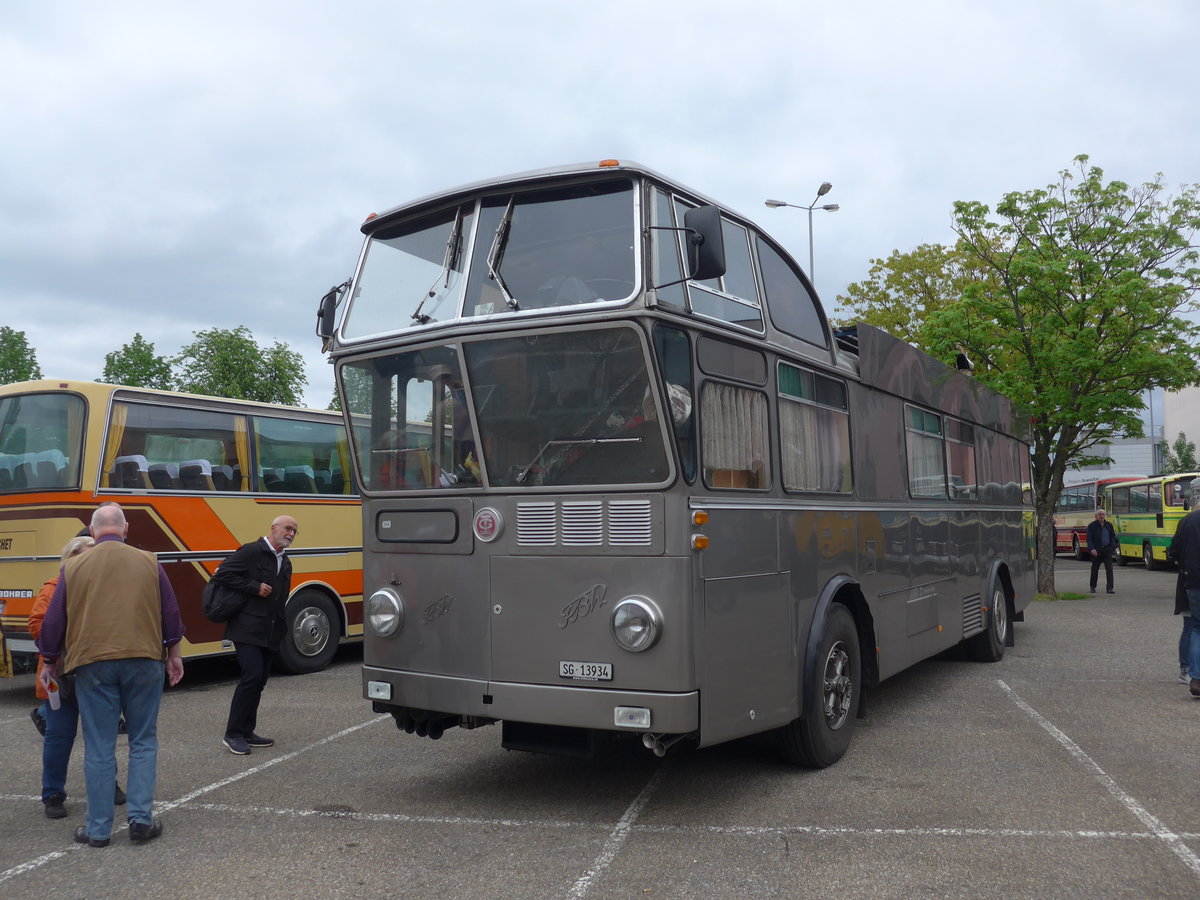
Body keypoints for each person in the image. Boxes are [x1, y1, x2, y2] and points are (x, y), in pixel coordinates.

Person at [37, 504, 185, 847]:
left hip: (93, 663)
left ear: (92, 530)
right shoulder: (150, 561)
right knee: (143, 740)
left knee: (99, 745)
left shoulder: (72, 567)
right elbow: (171, 612)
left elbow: (54, 621)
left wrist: (49, 661)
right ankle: (140, 820)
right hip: (144, 658)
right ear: (126, 528)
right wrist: (174, 654)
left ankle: (99, 829)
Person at [28, 536, 127, 819]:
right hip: (62, 674)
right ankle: (53, 794)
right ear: (71, 559)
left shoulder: (103, 588)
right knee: (59, 736)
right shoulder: (54, 587)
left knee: (101, 736)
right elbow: (36, 625)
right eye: (86, 556)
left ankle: (108, 785)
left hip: (95, 671)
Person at [215, 515, 296, 755]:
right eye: (288, 528)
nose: (291, 534)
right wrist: (254, 587)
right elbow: (222, 574)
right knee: (251, 676)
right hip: (246, 627)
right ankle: (233, 734)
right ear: (274, 528)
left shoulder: (285, 561)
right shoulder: (251, 551)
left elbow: (281, 598)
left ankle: (247, 731)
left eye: (295, 531)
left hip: (270, 631)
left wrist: (282, 628)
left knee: (259, 680)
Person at [1167, 505, 1200, 698]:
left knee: (1196, 629)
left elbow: (1173, 551)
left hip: (1193, 582)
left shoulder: (1187, 521)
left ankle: (1195, 677)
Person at [1086, 508, 1117, 594]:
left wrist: (1112, 547)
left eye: (1103, 514)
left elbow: (1113, 537)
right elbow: (1089, 539)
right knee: (1095, 569)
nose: (1101, 516)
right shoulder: (1092, 526)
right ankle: (1093, 587)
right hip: (1096, 550)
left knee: (1109, 569)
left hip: (1107, 549)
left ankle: (1109, 588)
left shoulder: (1109, 525)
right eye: (1099, 514)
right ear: (1096, 516)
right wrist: (1092, 549)